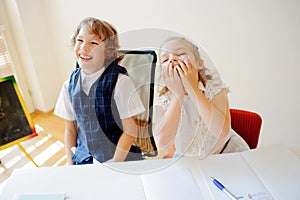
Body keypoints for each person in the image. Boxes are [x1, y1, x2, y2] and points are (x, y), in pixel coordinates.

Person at [54, 17, 145, 165]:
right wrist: (70, 163)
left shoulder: (120, 83)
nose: (84, 47)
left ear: (108, 52)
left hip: (118, 156)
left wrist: (115, 162)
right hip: (85, 157)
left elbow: (130, 130)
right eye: (80, 40)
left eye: (94, 43)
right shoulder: (68, 86)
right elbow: (70, 130)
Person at [153, 37, 250, 159]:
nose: (172, 59)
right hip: (192, 160)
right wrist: (177, 95)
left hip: (227, 153)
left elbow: (221, 132)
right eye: (165, 59)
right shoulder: (163, 101)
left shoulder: (215, 88)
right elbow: (162, 142)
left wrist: (192, 88)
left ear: (199, 64)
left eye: (180, 53)